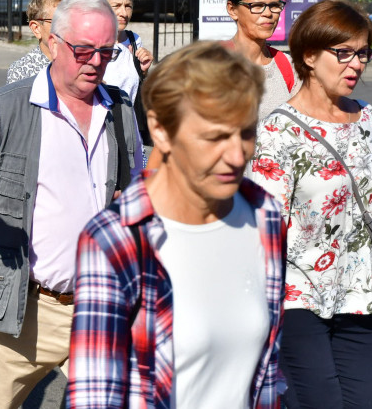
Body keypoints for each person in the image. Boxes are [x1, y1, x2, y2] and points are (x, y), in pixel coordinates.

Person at [0, 0, 143, 409]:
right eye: (84, 50)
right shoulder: (7, 105)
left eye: (107, 51)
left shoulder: (119, 109)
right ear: (52, 42)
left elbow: (135, 191)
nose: (96, 61)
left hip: (99, 308)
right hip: (22, 309)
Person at [68, 41, 284, 408]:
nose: (236, 156)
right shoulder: (117, 239)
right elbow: (94, 394)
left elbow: (268, 374)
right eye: (214, 136)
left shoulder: (264, 214)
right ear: (161, 130)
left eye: (245, 132)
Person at [250, 0, 372, 408]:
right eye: (343, 53)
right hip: (298, 302)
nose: (355, 64)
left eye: (363, 53)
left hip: (359, 300)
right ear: (309, 54)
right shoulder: (278, 131)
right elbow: (263, 235)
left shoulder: (369, 118)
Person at [225, 0, 300, 120]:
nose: (268, 14)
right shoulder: (211, 64)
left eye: (274, 5)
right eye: (257, 6)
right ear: (232, 10)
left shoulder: (289, 67)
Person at [94, 0, 153, 103]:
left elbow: (135, 87)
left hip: (128, 119)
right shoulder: (90, 43)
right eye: (117, 6)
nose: (124, 13)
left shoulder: (134, 40)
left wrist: (143, 71)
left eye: (128, 6)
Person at [6, 0, 71, 84]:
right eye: (58, 21)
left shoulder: (86, 62)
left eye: (72, 20)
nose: (67, 27)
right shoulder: (23, 72)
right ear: (36, 29)